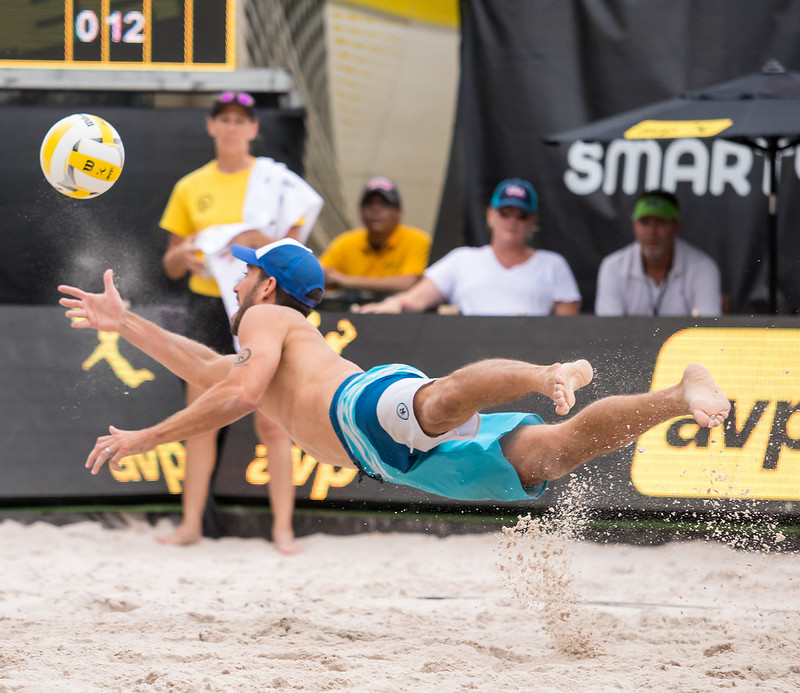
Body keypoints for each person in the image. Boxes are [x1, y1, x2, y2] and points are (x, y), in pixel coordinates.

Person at [59, 239, 730, 507]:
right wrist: (127, 324)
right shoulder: (266, 333)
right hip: (390, 460)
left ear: (269, 288)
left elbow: (237, 391)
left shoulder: (263, 323)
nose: (236, 277)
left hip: (362, 410)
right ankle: (679, 392)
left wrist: (147, 436)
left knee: (438, 402)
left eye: (248, 268)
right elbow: (209, 369)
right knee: (553, 455)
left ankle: (543, 370)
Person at [157, 91, 322, 552]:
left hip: (264, 307)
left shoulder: (275, 181)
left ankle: (283, 530)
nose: (231, 126)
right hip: (210, 305)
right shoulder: (191, 186)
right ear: (212, 126)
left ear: (253, 129)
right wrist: (186, 255)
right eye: (224, 118)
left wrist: (253, 242)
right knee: (201, 416)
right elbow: (170, 262)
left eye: (240, 119)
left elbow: (292, 252)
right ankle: (191, 525)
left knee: (275, 419)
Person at [360, 178, 581, 316]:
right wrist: (393, 304)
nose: (512, 221)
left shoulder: (553, 264)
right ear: (491, 215)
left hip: (534, 362)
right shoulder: (463, 259)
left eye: (521, 215)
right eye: (505, 213)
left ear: (532, 221)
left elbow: (567, 329)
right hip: (469, 358)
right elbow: (417, 297)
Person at [595, 189, 722, 316]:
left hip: (681, 337)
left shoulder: (702, 267)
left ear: (676, 227)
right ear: (634, 226)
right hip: (628, 337)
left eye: (660, 222)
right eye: (644, 222)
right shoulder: (613, 267)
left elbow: (707, 329)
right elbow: (608, 329)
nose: (651, 232)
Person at [320, 176, 431, 297]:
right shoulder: (345, 241)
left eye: (384, 204)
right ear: (360, 213)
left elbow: (409, 282)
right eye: (369, 204)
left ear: (399, 213)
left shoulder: (417, 240)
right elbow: (318, 275)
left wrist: (345, 280)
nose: (376, 210)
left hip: (399, 313)